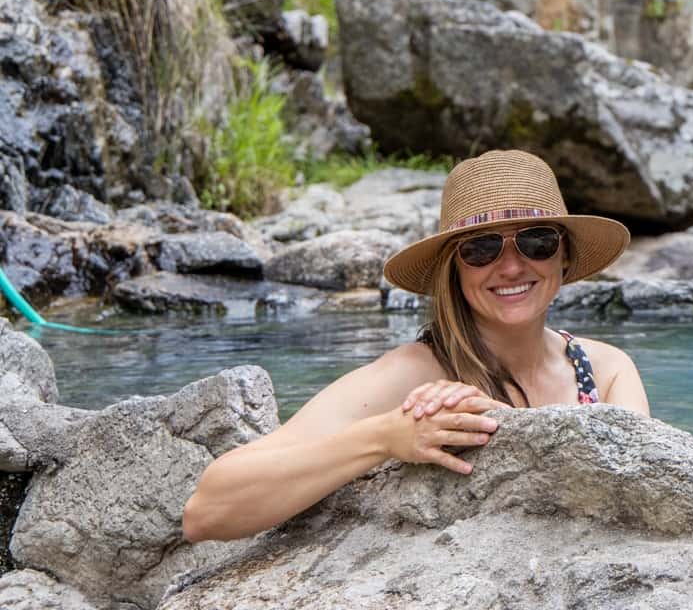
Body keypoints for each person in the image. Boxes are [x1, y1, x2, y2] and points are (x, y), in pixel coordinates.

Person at [182, 150, 647, 542]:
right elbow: (207, 510)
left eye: (536, 241)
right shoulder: (414, 376)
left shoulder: (606, 371)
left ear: (563, 255)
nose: (511, 266)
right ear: (454, 268)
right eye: (481, 249)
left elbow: (647, 499)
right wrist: (386, 436)